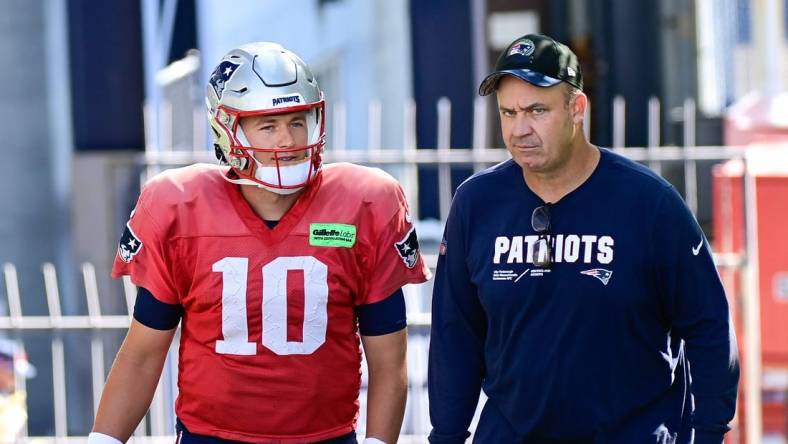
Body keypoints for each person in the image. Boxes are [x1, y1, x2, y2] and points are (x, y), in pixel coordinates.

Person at [89, 42, 430, 444]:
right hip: (211, 437)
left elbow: (390, 359)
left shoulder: (367, 201)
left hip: (326, 437)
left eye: (298, 121)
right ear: (227, 130)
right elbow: (144, 353)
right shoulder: (178, 204)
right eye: (268, 125)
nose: (287, 139)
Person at [427, 33, 739, 443]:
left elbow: (709, 327)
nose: (520, 129)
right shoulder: (476, 203)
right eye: (508, 113)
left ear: (577, 108)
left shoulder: (649, 204)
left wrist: (710, 432)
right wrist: (446, 436)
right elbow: (456, 335)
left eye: (537, 110)